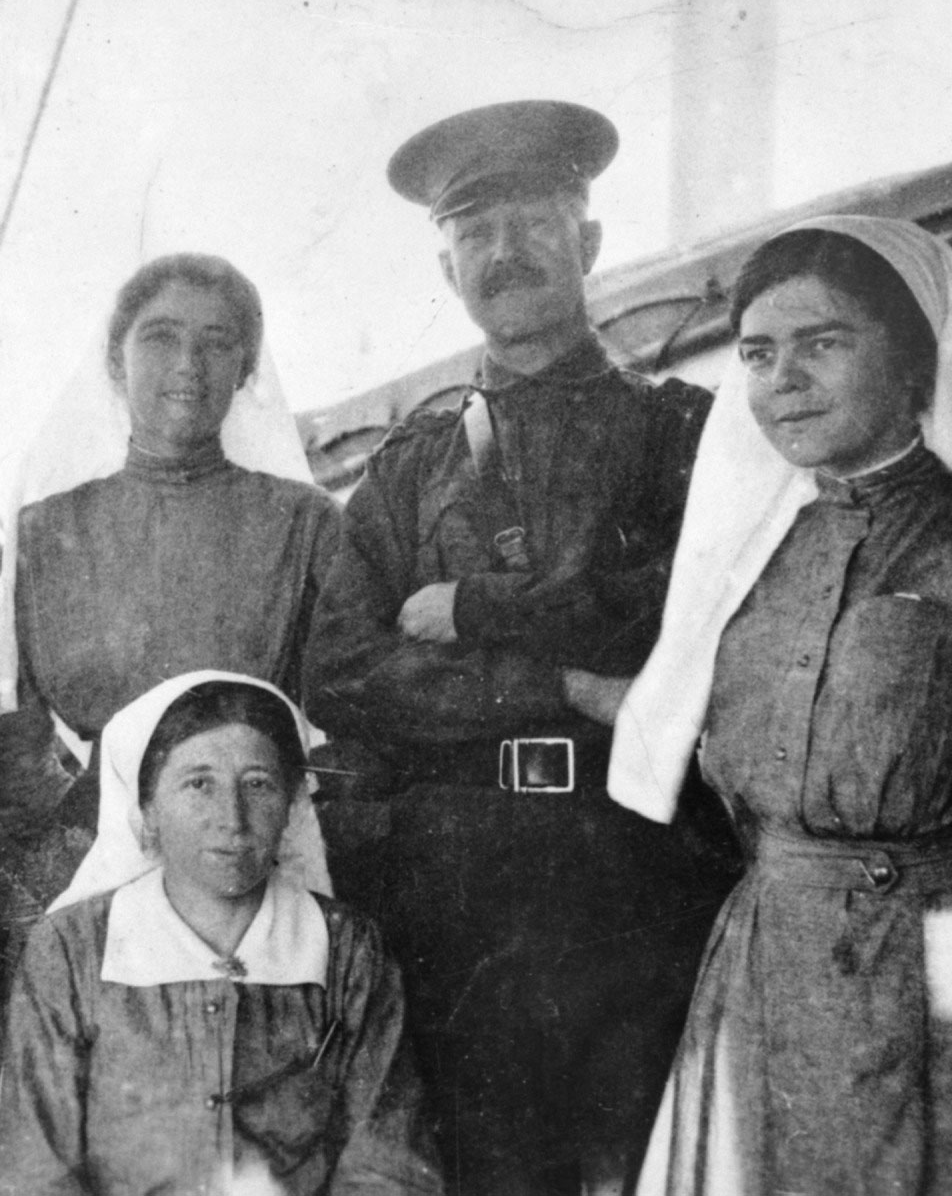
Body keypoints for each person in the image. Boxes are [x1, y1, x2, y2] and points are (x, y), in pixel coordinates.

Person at [603, 215, 952, 1195]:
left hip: (933, 977)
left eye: (822, 342)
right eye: (759, 353)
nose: (783, 379)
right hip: (762, 977)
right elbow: (684, 732)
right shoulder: (748, 554)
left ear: (910, 363)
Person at [300, 100, 737, 1194]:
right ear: (444, 264)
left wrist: (482, 609)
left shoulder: (681, 430)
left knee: (653, 1164)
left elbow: (682, 613)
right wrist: (553, 682)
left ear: (586, 240)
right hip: (461, 883)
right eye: (475, 230)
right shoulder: (408, 466)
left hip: (635, 860)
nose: (505, 254)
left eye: (533, 222)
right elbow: (345, 666)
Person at [0, 252, 340, 960]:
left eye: (217, 342)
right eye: (160, 337)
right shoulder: (47, 530)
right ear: (115, 362)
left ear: (246, 370)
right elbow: (21, 737)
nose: (189, 362)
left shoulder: (305, 524)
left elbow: (339, 723)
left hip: (251, 873)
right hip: (84, 885)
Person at [0, 671, 442, 1195]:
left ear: (292, 804)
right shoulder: (72, 950)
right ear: (148, 811)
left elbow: (388, 1169)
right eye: (198, 783)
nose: (233, 819)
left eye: (258, 784)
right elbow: (34, 1175)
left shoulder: (345, 950)